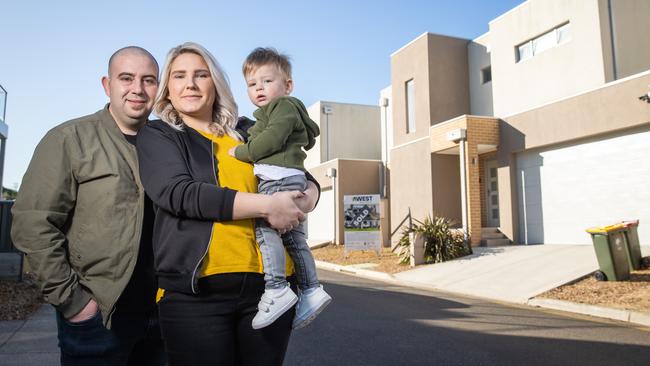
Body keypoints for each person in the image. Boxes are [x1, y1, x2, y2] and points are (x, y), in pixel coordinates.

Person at [136, 42, 320, 366]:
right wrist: (267, 206)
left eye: (200, 74)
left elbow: (298, 171)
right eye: (179, 76)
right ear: (168, 87)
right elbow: (180, 193)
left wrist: (308, 197)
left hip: (270, 291)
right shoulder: (159, 134)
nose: (190, 83)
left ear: (215, 82)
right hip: (196, 293)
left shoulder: (249, 131)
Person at [11, 46, 166, 365]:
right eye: (126, 78)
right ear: (107, 85)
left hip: (163, 316)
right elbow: (32, 224)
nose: (137, 88)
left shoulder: (168, 143)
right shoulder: (69, 139)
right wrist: (73, 302)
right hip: (99, 319)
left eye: (148, 80)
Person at [231, 47, 331, 330]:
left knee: (265, 230)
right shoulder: (274, 111)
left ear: (288, 85)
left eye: (266, 81)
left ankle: (276, 288)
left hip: (278, 181)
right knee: (294, 239)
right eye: (252, 84)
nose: (259, 88)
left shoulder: (282, 108)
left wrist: (242, 151)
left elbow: (270, 141)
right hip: (288, 177)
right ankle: (311, 289)